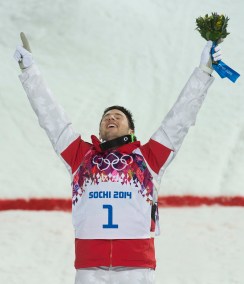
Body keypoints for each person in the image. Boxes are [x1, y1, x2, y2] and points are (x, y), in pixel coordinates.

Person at [14, 32, 222, 284]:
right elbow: (52, 118)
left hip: (136, 268)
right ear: (101, 130)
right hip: (89, 268)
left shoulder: (149, 157)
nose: (110, 118)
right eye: (106, 117)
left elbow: (180, 118)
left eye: (117, 116)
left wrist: (203, 71)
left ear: (130, 130)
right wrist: (29, 71)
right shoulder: (80, 155)